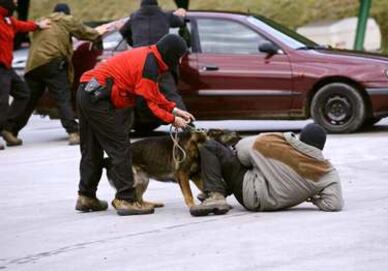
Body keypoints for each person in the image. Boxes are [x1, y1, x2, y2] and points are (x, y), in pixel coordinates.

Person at [75, 34, 195, 216]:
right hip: (99, 95)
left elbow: (153, 94)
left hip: (87, 91)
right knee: (121, 146)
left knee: (92, 148)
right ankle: (126, 199)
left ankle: (86, 197)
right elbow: (151, 104)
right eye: (179, 56)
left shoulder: (149, 58)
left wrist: (174, 110)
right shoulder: (150, 66)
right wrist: (172, 119)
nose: (179, 61)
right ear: (170, 54)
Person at [3, 3, 110, 146]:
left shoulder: (43, 20)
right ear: (66, 13)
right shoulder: (65, 19)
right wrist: (98, 33)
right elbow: (84, 32)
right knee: (62, 98)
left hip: (33, 65)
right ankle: (73, 133)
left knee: (29, 100)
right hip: (52, 62)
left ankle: (10, 130)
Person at [190, 123, 344, 217]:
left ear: (300, 137)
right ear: (322, 146)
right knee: (256, 164)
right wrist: (309, 195)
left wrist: (264, 165)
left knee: (210, 147)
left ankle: (216, 194)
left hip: (247, 194)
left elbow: (241, 153)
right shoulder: (327, 171)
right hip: (267, 202)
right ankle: (220, 191)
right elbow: (334, 204)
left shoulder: (274, 141)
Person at [119, 0, 188, 134]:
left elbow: (123, 31)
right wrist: (182, 13)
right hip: (161, 59)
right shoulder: (165, 15)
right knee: (170, 94)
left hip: (138, 61)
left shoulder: (134, 17)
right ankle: (188, 130)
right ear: (156, 3)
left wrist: (132, 43)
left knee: (135, 95)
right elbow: (179, 22)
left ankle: (121, 131)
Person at [0, 0, 50, 149]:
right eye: (13, 0)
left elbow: (21, 26)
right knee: (1, 102)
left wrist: (37, 26)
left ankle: (6, 128)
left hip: (7, 68)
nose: (16, 2)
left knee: (23, 93)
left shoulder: (8, 20)